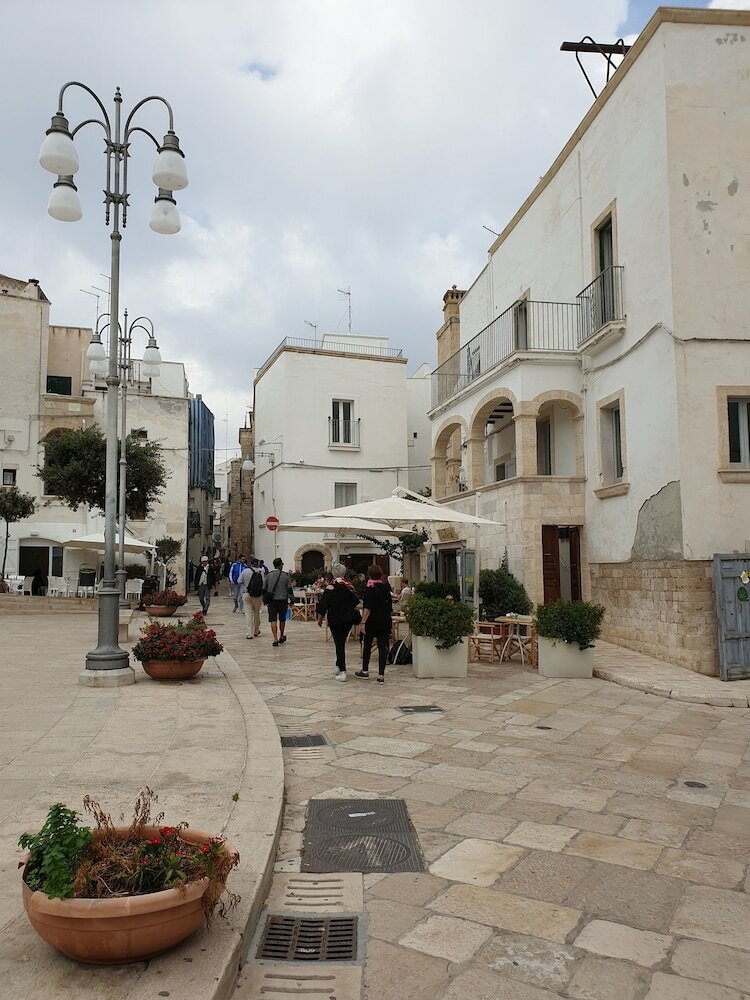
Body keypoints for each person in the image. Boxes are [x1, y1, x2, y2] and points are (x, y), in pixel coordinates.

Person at [316, 563, 361, 682]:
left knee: (339, 645)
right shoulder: (349, 587)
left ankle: (342, 671)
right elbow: (356, 602)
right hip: (348, 619)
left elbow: (323, 604)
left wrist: (320, 618)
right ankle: (338, 665)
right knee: (340, 643)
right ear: (344, 573)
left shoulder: (330, 588)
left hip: (336, 620)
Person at [356, 564, 393, 683]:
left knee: (367, 645)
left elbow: (368, 608)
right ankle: (381, 675)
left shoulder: (370, 588)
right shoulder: (386, 587)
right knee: (383, 647)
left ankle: (365, 670)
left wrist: (363, 622)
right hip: (385, 620)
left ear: (369, 575)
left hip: (372, 621)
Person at [263, 557, 293, 646]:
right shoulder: (285, 576)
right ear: (280, 565)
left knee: (273, 619)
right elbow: (289, 589)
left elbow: (264, 588)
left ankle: (275, 638)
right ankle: (281, 635)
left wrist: (264, 599)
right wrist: (292, 599)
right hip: (283, 600)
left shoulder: (268, 575)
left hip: (272, 601)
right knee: (282, 619)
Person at [240, 558, 264, 639]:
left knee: (249, 614)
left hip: (247, 594)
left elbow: (239, 580)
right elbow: (263, 584)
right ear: (257, 564)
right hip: (257, 595)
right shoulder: (261, 571)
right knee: (256, 613)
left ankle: (249, 634)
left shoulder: (245, 571)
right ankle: (256, 631)